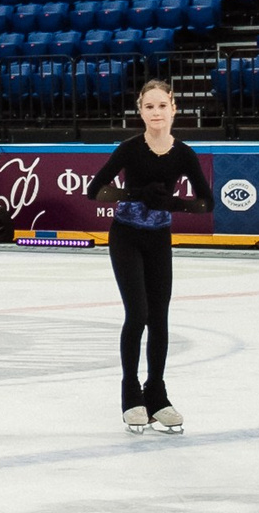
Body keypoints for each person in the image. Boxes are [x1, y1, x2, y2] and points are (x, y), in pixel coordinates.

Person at [86, 79, 207, 434]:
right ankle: (130, 393)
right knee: (137, 314)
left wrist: (172, 203)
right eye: (149, 107)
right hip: (126, 236)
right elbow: (96, 191)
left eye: (162, 106)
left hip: (159, 239)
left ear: (174, 109)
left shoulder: (184, 153)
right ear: (140, 111)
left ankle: (157, 393)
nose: (156, 113)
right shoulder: (128, 149)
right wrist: (134, 193)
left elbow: (206, 202)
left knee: (160, 318)